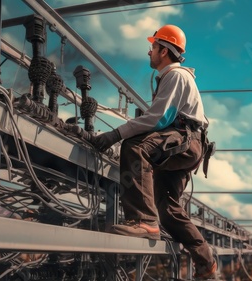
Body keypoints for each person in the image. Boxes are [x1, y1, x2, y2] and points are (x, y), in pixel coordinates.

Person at [91, 24, 217, 279]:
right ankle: (207, 263)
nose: (149, 52)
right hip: (189, 144)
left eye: (153, 47)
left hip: (184, 138)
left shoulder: (176, 76)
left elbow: (158, 119)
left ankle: (144, 222)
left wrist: (116, 134)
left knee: (135, 146)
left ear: (164, 50)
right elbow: (160, 120)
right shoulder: (174, 78)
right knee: (168, 208)